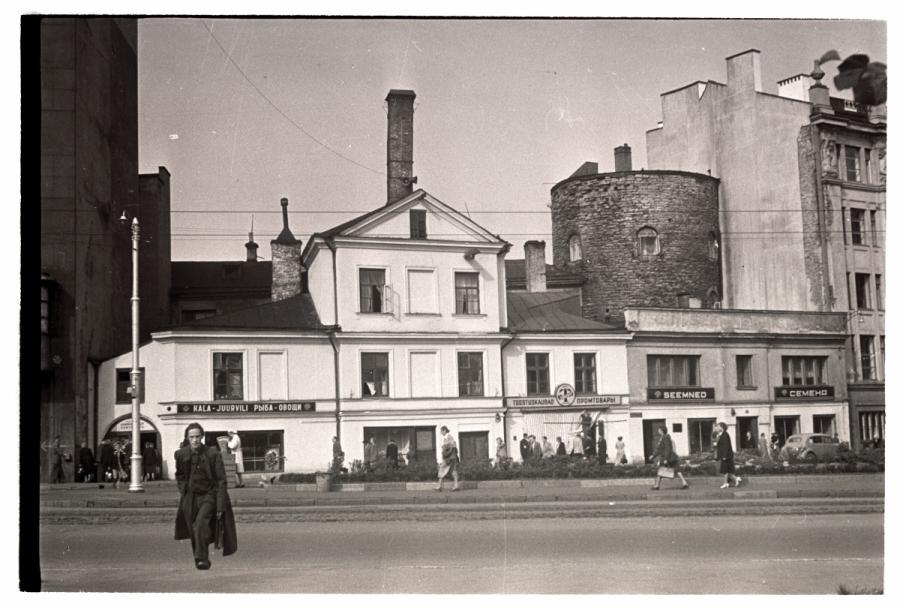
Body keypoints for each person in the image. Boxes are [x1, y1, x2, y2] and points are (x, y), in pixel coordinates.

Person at [174, 422, 237, 570]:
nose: (195, 440)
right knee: (192, 527)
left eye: (197, 436)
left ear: (202, 437)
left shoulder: (212, 454)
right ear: (187, 438)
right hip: (190, 496)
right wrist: (183, 489)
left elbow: (221, 480)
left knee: (201, 523)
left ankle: (202, 558)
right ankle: (199, 557)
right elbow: (180, 475)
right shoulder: (181, 454)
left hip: (209, 495)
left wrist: (220, 504)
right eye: (191, 437)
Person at [715, 422, 741, 489]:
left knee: (725, 470)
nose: (716, 428)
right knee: (727, 471)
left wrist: (724, 456)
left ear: (721, 427)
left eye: (717, 427)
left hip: (726, 456)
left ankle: (726, 483)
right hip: (726, 456)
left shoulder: (725, 435)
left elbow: (726, 446)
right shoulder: (722, 435)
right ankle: (735, 479)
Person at [434, 426, 460, 491]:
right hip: (452, 458)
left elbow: (453, 446)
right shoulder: (447, 438)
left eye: (441, 431)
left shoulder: (449, 437)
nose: (441, 433)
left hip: (448, 458)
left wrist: (445, 450)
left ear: (445, 430)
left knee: (441, 469)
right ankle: (456, 486)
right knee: (453, 471)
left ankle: (439, 486)